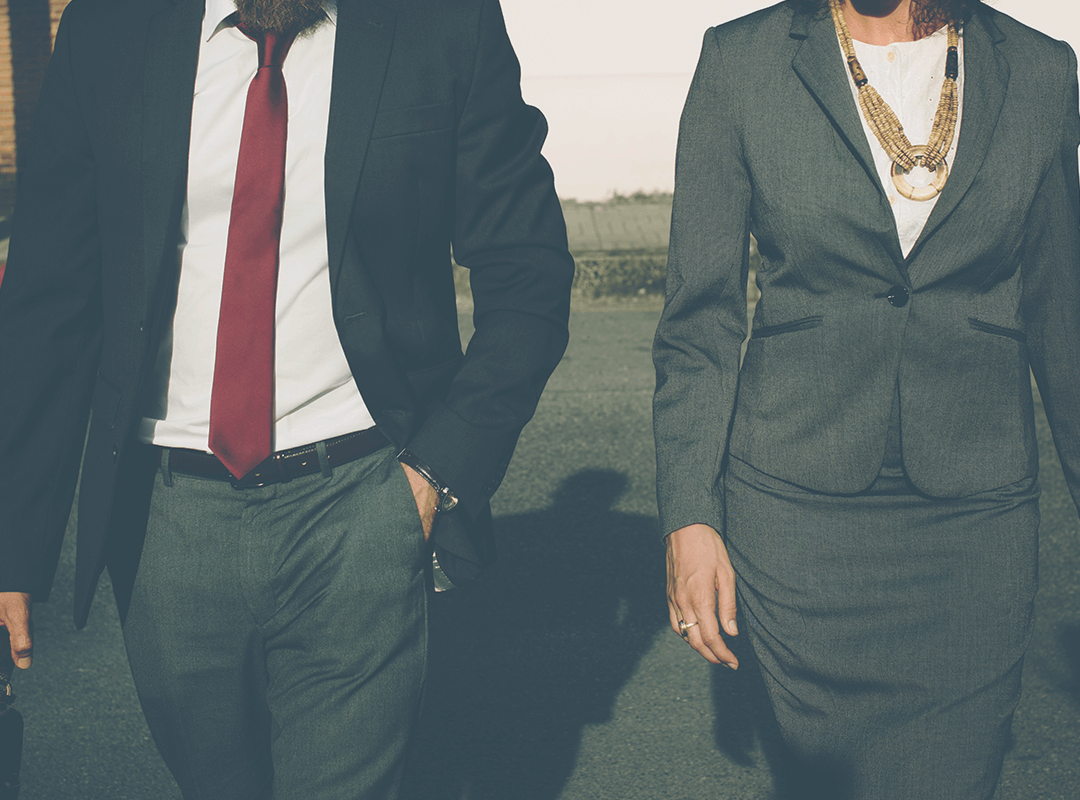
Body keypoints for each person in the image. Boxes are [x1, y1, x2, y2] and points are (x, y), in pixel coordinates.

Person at [0, 0, 573, 795]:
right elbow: (49, 298)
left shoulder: (441, 22)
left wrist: (436, 473)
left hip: (361, 503)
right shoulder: (110, 27)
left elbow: (528, 270)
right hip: (165, 521)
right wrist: (13, 544)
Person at [654, 0, 1080, 797]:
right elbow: (699, 321)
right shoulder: (740, 61)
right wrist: (690, 514)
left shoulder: (1042, 69)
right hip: (795, 520)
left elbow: (1063, 318)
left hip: (972, 526)